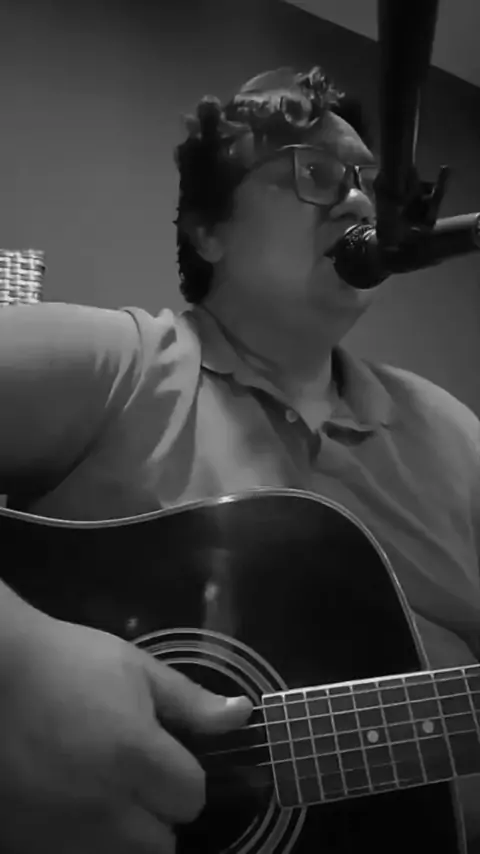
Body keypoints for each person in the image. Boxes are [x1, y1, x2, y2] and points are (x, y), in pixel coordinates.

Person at [0, 65, 479, 852]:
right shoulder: (126, 366)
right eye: (316, 173)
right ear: (208, 232)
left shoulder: (453, 433)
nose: (360, 202)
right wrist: (13, 664)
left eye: (364, 181)